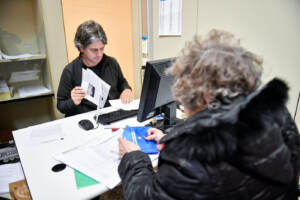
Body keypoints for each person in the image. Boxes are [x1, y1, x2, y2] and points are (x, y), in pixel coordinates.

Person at [117, 29, 300, 199]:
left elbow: (145, 196)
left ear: (203, 95)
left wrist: (134, 157)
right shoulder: (276, 113)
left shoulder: (190, 157)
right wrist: (171, 138)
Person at [57, 20, 132, 117]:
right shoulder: (70, 71)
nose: (99, 54)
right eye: (94, 50)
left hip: (111, 115)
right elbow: (60, 105)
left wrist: (126, 89)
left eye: (102, 48)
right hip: (86, 120)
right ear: (81, 48)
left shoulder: (112, 63)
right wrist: (73, 101)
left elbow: (122, 82)